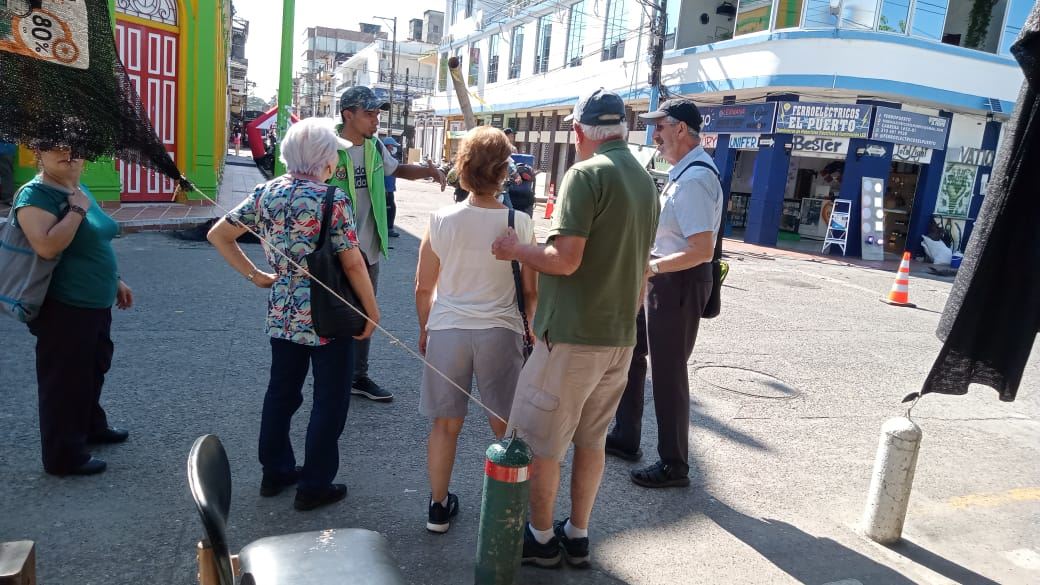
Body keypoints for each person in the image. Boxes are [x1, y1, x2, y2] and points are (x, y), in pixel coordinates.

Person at [492, 88, 659, 569]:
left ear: (580, 131)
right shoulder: (645, 181)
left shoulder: (586, 175)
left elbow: (564, 260)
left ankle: (542, 538)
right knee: (591, 440)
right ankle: (578, 533)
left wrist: (516, 249)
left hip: (571, 336)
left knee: (541, 444)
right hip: (618, 337)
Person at [207, 118, 380, 511]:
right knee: (330, 400)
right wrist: (371, 310)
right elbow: (353, 263)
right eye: (333, 152)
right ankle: (315, 483)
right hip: (329, 315)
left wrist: (255, 275)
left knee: (281, 394)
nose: (337, 157)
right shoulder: (331, 199)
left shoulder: (265, 192)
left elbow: (219, 233)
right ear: (324, 159)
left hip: (283, 313)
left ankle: (276, 471)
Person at [415, 126, 537, 534]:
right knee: (505, 423)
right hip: (499, 330)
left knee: (445, 424)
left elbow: (424, 286)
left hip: (447, 327)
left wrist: (425, 328)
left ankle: (437, 507)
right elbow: (531, 291)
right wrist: (532, 329)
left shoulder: (440, 219)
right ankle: (509, 509)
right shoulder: (518, 223)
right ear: (504, 172)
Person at [607, 98, 723, 488]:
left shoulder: (695, 180)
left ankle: (674, 464)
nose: (653, 134)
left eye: (661, 126)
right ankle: (626, 436)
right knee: (632, 353)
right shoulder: (681, 173)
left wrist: (652, 267)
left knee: (668, 371)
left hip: (678, 281)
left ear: (682, 130)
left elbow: (701, 248)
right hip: (664, 278)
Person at [14, 139, 134, 476]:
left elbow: (94, 241)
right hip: (64, 305)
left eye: (77, 147)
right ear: (40, 153)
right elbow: (47, 246)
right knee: (64, 381)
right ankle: (63, 456)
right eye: (56, 147)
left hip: (94, 301)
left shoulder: (76, 187)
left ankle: (91, 427)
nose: (69, 154)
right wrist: (77, 210)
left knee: (93, 367)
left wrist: (115, 280)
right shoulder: (36, 195)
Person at [332, 85, 446, 402]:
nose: (376, 120)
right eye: (369, 114)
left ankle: (357, 377)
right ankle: (329, 375)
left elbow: (398, 170)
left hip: (367, 249)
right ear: (348, 115)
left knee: (366, 314)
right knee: (330, 313)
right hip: (332, 252)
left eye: (378, 113)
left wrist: (428, 171)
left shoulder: (375, 146)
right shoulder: (326, 146)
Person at [381, 135, 401, 238]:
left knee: (390, 208)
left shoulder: (389, 158)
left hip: (389, 189)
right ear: (388, 146)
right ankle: (389, 228)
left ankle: (388, 228)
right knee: (390, 209)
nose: (394, 148)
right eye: (393, 146)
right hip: (386, 189)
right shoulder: (384, 159)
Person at [0, 141, 15, 206]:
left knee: (6, 174)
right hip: (8, 150)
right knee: (7, 174)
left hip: (3, 149)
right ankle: (7, 197)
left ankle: (7, 197)